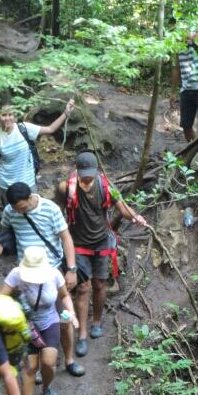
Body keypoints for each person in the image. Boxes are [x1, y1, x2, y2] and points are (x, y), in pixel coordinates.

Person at [63, 152, 147, 357]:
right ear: (77, 170)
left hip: (101, 242)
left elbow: (122, 207)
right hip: (78, 244)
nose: (87, 178)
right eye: (83, 174)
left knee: (100, 284)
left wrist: (135, 217)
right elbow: (57, 212)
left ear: (97, 170)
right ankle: (82, 335)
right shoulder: (67, 188)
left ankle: (97, 321)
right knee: (83, 288)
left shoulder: (106, 186)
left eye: (90, 174)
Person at [0, 181, 85, 378]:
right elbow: (5, 232)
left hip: (52, 270)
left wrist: (71, 268)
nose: (18, 212)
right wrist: (0, 245)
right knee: (32, 321)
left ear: (30, 198)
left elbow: (66, 237)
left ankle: (69, 360)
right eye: (14, 208)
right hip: (25, 273)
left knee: (64, 318)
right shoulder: (10, 211)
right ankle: (38, 363)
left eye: (21, 208)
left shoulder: (50, 209)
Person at [0, 246, 79, 395]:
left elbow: (64, 295)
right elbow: (0, 299)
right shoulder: (16, 274)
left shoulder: (54, 275)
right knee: (30, 368)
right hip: (25, 325)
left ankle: (46, 386)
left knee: (49, 362)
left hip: (50, 322)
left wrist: (71, 313)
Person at [0, 99, 75, 202]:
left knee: (32, 212)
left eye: (10, 114)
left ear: (14, 116)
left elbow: (50, 129)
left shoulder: (24, 128)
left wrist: (66, 112)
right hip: (7, 185)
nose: (7, 118)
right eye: (4, 115)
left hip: (28, 182)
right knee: (11, 216)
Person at [170, 31, 198, 142]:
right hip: (186, 90)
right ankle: (196, 151)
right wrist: (173, 92)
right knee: (186, 127)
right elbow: (177, 69)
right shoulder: (178, 44)